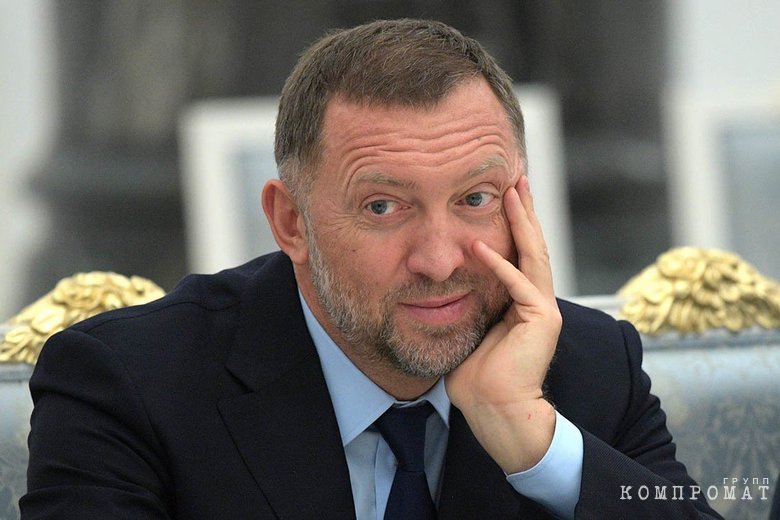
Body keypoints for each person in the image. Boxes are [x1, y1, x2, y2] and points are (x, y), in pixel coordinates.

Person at [21, 19, 722, 519]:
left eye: (475, 199)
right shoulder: (129, 385)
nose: (440, 261)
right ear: (291, 222)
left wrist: (531, 438)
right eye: (383, 207)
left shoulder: (590, 367)